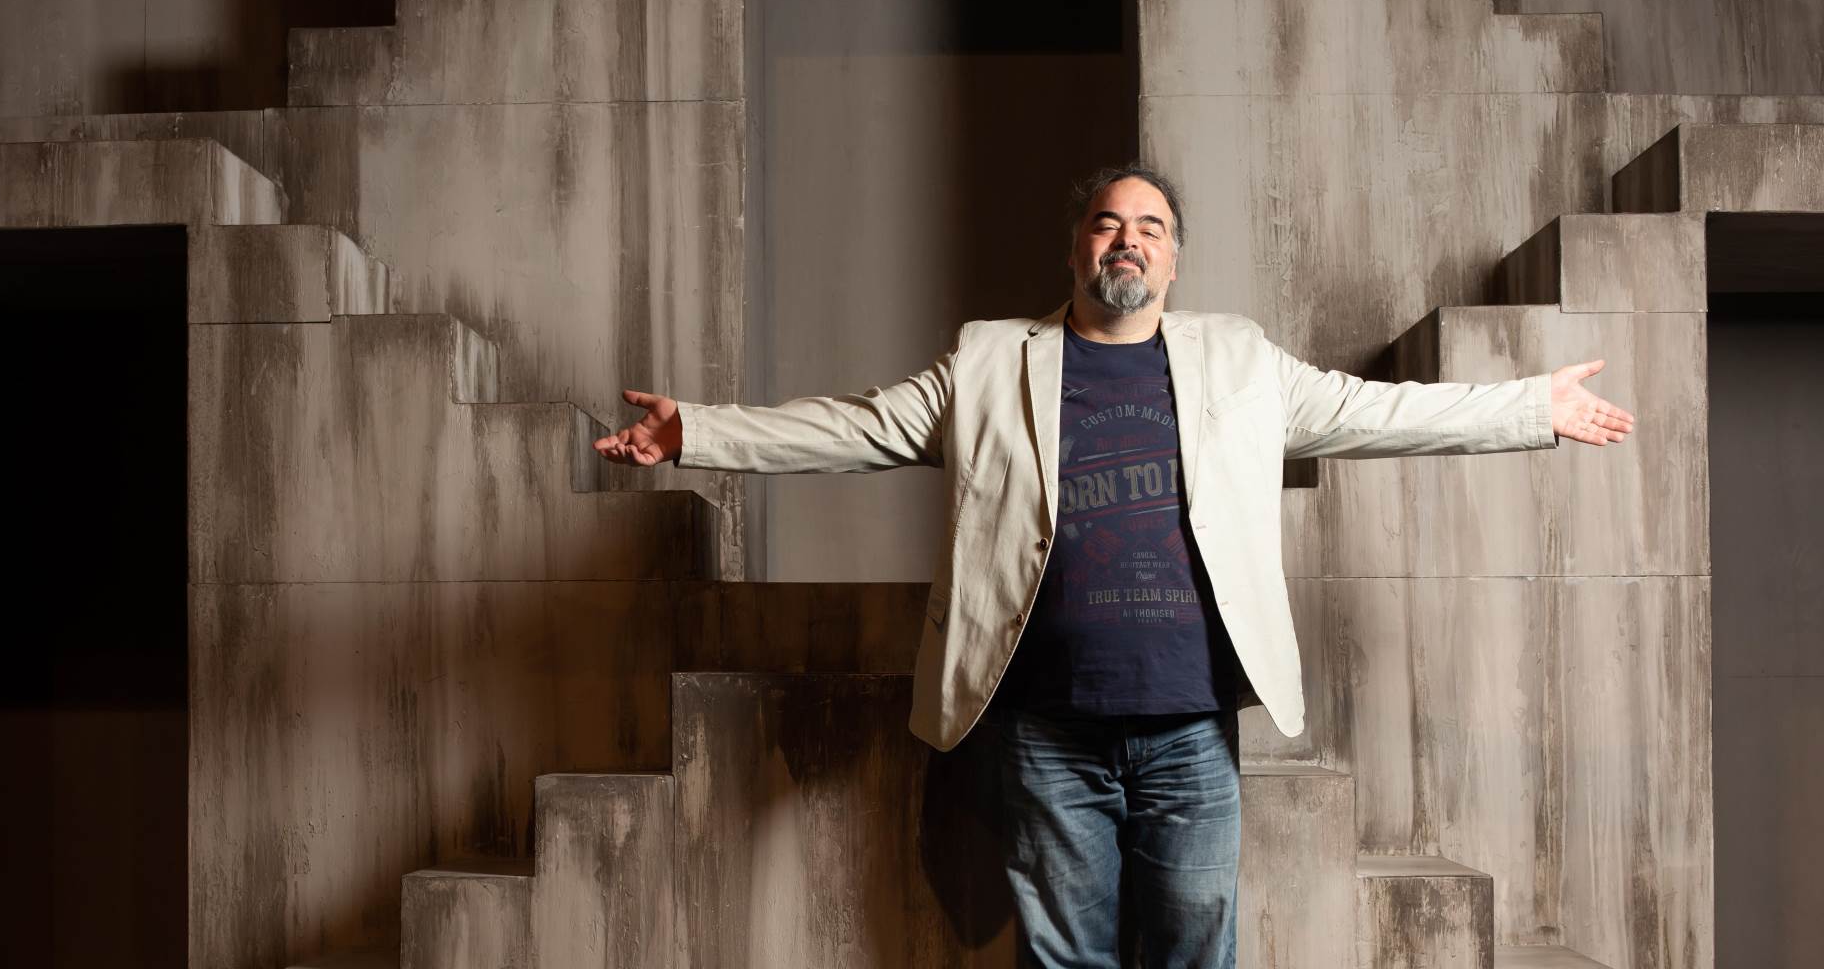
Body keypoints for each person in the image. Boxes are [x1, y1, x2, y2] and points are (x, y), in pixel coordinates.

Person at [592, 165, 1635, 968]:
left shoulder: (1242, 361)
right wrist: (698, 433)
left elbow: (1380, 412)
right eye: (1107, 222)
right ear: (1076, 249)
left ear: (1173, 262)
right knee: (1066, 963)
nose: (1127, 238)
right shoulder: (990, 361)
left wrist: (1529, 407)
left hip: (1190, 729)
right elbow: (853, 426)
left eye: (1151, 226)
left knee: (1195, 958)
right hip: (1047, 731)